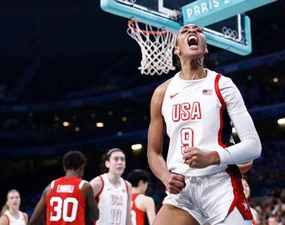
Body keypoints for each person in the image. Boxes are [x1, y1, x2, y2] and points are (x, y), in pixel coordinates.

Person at [147, 24, 262, 225]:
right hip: (183, 189)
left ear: (206, 48)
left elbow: (254, 146)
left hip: (219, 184)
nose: (192, 32)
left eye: (198, 30)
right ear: (177, 49)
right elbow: (153, 152)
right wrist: (166, 178)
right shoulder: (161, 93)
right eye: (185, 31)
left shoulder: (223, 84)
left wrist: (212, 157)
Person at [29, 150, 99, 225]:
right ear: (81, 168)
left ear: (64, 168)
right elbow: (95, 216)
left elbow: (32, 222)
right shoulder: (84, 186)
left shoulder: (50, 187)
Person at [90, 148, 133, 225]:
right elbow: (82, 208)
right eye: (116, 159)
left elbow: (128, 216)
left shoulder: (127, 186)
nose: (120, 162)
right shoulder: (98, 183)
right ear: (107, 163)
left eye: (122, 159)